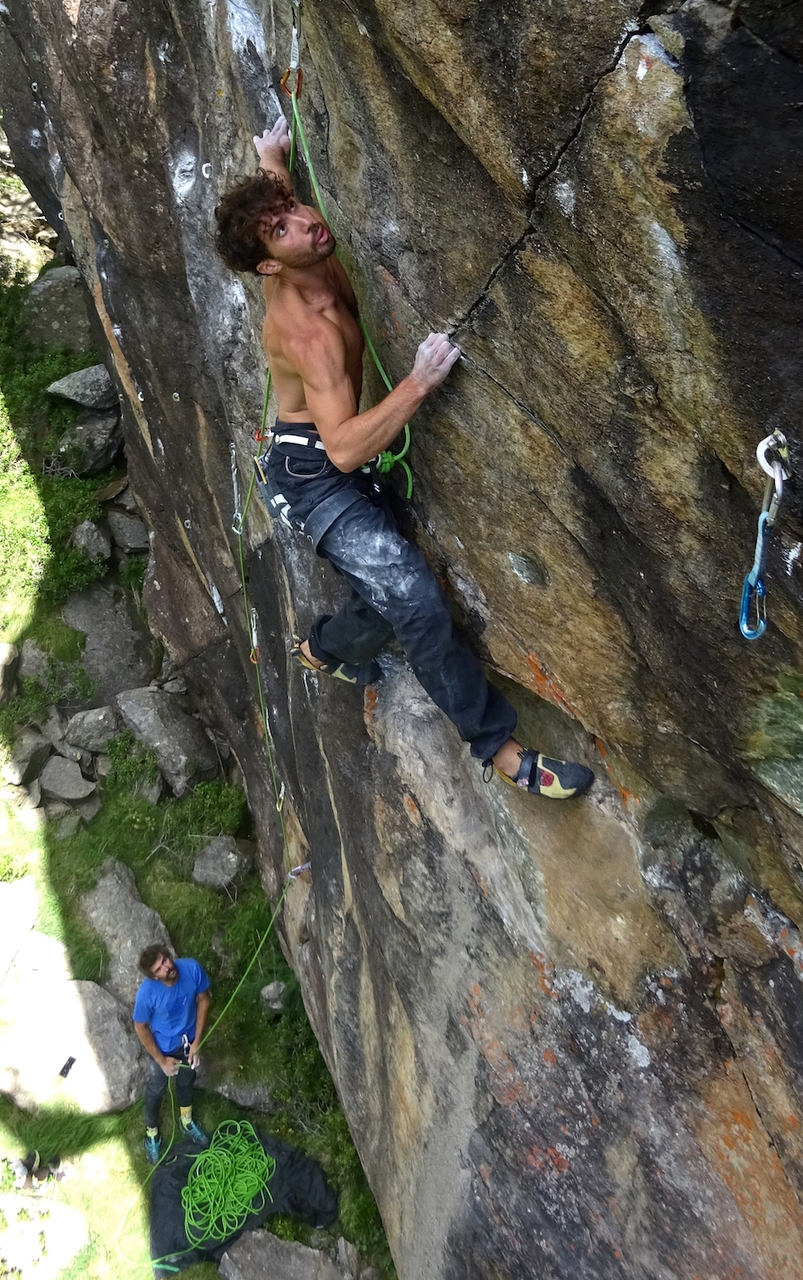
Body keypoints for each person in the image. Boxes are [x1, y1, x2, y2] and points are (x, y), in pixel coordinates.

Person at [211, 114, 594, 803]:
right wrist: (417, 383)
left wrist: (272, 159)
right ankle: (500, 749)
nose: (304, 221)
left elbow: (273, 206)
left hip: (328, 452)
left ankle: (322, 648)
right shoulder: (308, 335)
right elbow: (346, 444)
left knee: (386, 596)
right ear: (269, 265)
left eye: (294, 209)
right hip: (313, 475)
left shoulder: (290, 244)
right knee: (411, 594)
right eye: (284, 228)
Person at [133, 943, 212, 1164]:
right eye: (159, 968)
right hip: (164, 1048)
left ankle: (186, 1120)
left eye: (165, 960)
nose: (167, 967)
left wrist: (197, 1041)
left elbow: (204, 999)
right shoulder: (147, 994)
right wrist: (161, 1060)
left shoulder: (191, 969)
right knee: (157, 1088)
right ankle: (152, 1134)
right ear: (154, 976)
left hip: (188, 1043)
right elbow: (140, 1026)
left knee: (187, 1081)